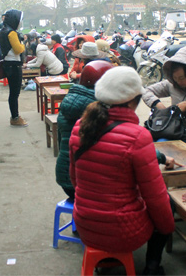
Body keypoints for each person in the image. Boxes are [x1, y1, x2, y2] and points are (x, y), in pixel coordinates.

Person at [69, 66, 175, 275]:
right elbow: (154, 197)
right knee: (167, 205)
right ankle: (152, 268)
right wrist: (168, 228)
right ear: (131, 101)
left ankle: (103, 262)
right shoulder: (138, 136)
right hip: (122, 231)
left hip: (84, 225)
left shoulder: (80, 126)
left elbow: (75, 180)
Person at [55, 60, 114, 200]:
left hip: (65, 180)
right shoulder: (100, 111)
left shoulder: (67, 103)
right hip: (86, 185)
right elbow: (125, 143)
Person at [143, 46, 186, 153]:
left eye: (182, 78)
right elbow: (145, 91)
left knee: (162, 144)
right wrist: (156, 103)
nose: (179, 82)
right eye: (175, 78)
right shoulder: (172, 85)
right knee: (146, 141)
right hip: (173, 131)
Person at [0, 9, 27, 127]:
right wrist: (23, 43)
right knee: (15, 93)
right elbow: (18, 49)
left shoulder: (3, 31)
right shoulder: (12, 33)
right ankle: (15, 117)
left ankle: (15, 116)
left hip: (8, 64)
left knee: (13, 93)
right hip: (14, 65)